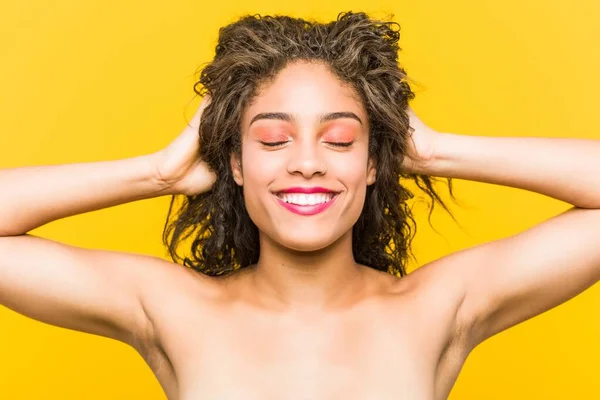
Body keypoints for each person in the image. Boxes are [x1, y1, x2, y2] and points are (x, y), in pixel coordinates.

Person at [1, 11, 599, 400]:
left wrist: (437, 152)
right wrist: (157, 173)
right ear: (235, 163)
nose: (307, 161)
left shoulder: (438, 307)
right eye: (272, 139)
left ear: (371, 164)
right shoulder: (171, 308)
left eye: (339, 139)